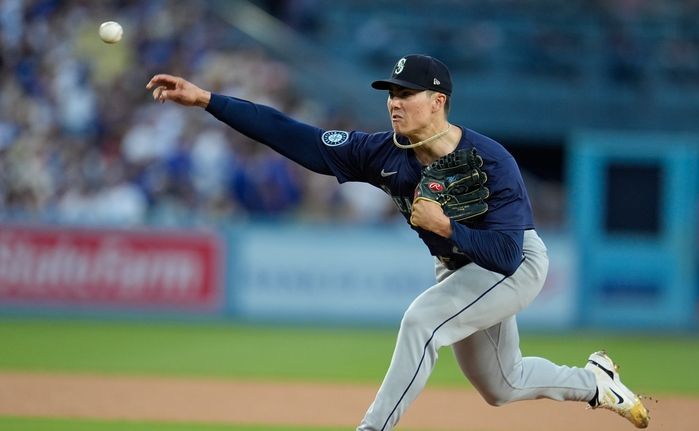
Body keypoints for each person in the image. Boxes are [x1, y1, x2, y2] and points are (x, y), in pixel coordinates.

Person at [146, 54, 650, 430]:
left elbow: (506, 255)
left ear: (438, 102)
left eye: (405, 93)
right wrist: (209, 101)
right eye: (390, 93)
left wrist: (449, 228)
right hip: (458, 269)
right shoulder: (382, 153)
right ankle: (595, 383)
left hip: (512, 265)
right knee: (503, 384)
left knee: (422, 321)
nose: (394, 102)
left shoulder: (492, 161)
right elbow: (296, 136)